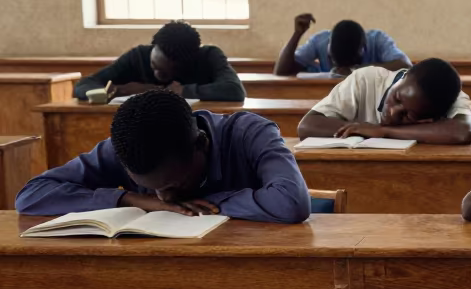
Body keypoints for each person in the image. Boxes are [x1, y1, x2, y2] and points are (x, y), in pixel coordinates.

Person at [17, 90, 309, 223]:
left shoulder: (249, 133)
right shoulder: (132, 145)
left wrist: (205, 206)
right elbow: (31, 195)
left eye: (175, 185)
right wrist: (133, 199)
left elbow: (292, 202)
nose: (165, 198)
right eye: (151, 188)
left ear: (202, 144)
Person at [297, 58, 471, 144]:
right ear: (403, 78)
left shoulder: (450, 96)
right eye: (396, 98)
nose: (392, 112)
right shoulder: (365, 80)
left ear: (430, 119)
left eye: (408, 115)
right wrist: (361, 129)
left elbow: (463, 131)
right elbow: (307, 126)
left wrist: (382, 131)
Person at [74, 20, 245, 102]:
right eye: (153, 66)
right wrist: (110, 92)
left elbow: (234, 90)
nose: (156, 73)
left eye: (163, 73)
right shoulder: (139, 56)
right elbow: (83, 85)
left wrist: (181, 91)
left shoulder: (208, 56)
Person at [273, 13, 411, 76]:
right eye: (334, 62)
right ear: (328, 49)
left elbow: (405, 66)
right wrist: (297, 34)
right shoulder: (320, 41)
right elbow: (281, 71)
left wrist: (355, 70)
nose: (340, 69)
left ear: (364, 49)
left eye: (350, 63)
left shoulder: (377, 39)